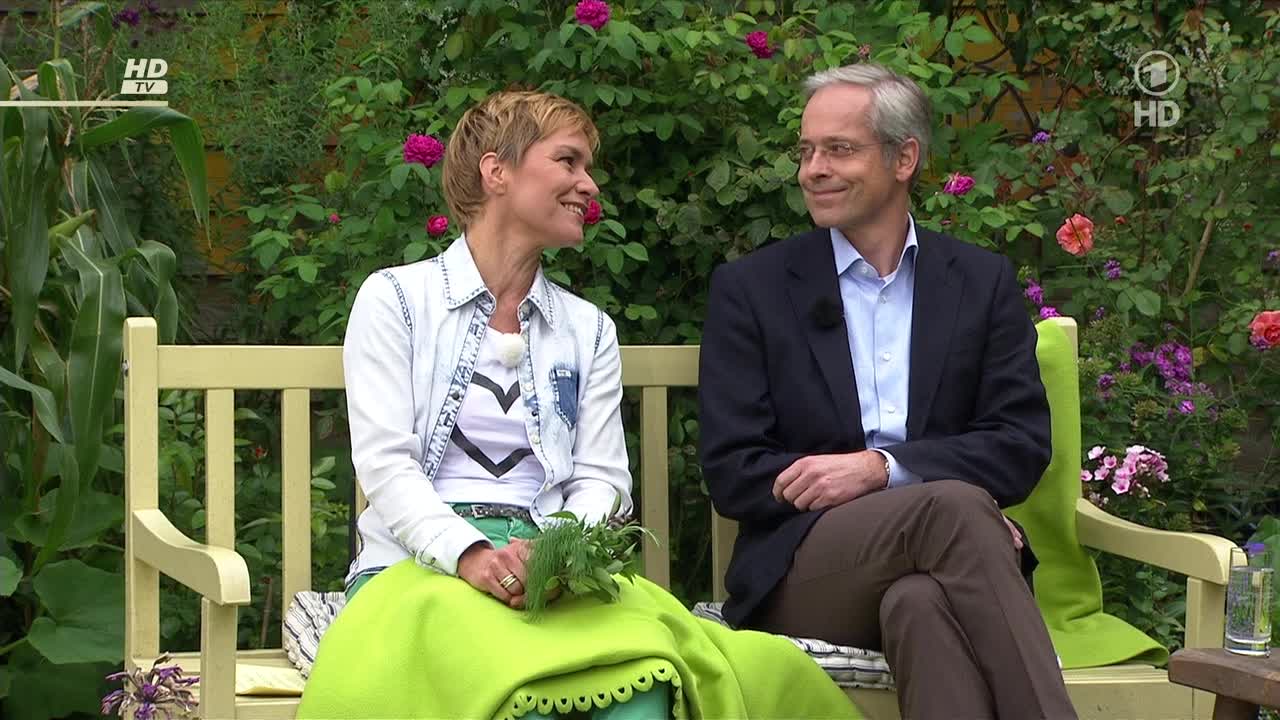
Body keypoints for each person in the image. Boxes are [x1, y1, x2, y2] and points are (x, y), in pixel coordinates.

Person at [297, 90, 858, 720]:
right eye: (568, 161)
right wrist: (472, 554)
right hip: (420, 567)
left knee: (643, 684)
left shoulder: (586, 329)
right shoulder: (397, 300)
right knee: (520, 689)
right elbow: (387, 466)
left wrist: (557, 554)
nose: (589, 185)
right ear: (496, 171)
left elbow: (602, 479)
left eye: (587, 167)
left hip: (552, 566)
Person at [697, 64, 1078, 719]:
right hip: (804, 570)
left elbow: (1019, 445)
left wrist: (881, 469)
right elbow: (733, 470)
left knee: (920, 603)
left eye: (839, 149)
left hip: (948, 565)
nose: (813, 170)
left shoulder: (978, 282)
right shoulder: (754, 290)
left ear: (904, 159)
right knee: (954, 509)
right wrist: (927, 504)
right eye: (806, 151)